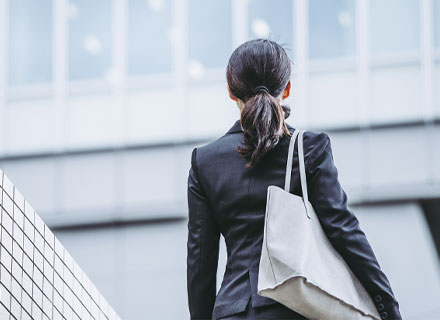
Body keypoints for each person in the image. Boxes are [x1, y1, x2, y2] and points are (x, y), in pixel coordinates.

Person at [186, 39, 402, 320]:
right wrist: (387, 307)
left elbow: (200, 264)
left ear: (230, 92)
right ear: (287, 88)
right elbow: (343, 230)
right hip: (296, 308)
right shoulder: (308, 148)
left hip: (232, 312)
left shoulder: (204, 160)